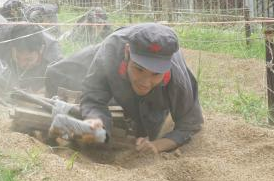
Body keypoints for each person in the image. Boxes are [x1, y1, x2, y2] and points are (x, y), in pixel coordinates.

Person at [45, 23, 203, 153]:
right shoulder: (110, 52)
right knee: (55, 72)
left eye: (156, 74)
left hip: (156, 100)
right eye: (139, 69)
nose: (145, 82)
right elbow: (93, 96)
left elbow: (190, 124)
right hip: (114, 61)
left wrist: (157, 145)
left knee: (148, 130)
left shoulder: (178, 79)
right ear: (127, 53)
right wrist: (96, 120)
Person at [0, 22, 62, 92]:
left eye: (28, 59)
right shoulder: (6, 34)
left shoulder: (54, 56)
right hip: (10, 71)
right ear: (11, 46)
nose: (22, 64)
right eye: (18, 57)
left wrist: (45, 91)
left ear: (41, 50)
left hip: (36, 81)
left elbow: (60, 84)